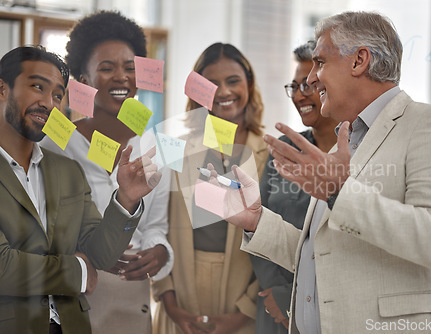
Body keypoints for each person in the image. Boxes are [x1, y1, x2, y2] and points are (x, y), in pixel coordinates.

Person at [208, 11, 431, 333]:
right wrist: (255, 220)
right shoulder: (343, 145)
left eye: (320, 62)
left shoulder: (429, 124)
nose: (310, 79)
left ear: (359, 60)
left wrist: (338, 191)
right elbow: (324, 255)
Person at [0, 45, 160, 334]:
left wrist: (126, 198)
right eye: (38, 87)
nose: (48, 103)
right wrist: (80, 272)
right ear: (2, 89)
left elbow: (99, 254)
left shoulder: (67, 170)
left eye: (58, 95)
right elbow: (3, 268)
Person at [40, 11, 173, 334]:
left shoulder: (159, 149)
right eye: (107, 68)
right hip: (72, 297)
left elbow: (156, 227)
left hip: (131, 297)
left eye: (130, 68)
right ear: (82, 82)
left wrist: (158, 252)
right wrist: (86, 251)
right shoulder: (56, 145)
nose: (122, 77)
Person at [152, 43, 268, 334]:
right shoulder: (174, 148)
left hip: (244, 304)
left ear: (249, 84)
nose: (224, 92)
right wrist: (170, 304)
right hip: (180, 299)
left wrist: (244, 313)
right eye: (212, 84)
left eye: (233, 81)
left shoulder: (271, 153)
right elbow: (157, 226)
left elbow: (279, 241)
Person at [250, 41, 337, 333]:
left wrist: (295, 294)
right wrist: (278, 291)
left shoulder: (356, 153)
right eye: (294, 86)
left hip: (331, 307)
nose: (300, 95)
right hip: (276, 308)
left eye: (309, 85)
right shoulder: (284, 148)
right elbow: (258, 218)